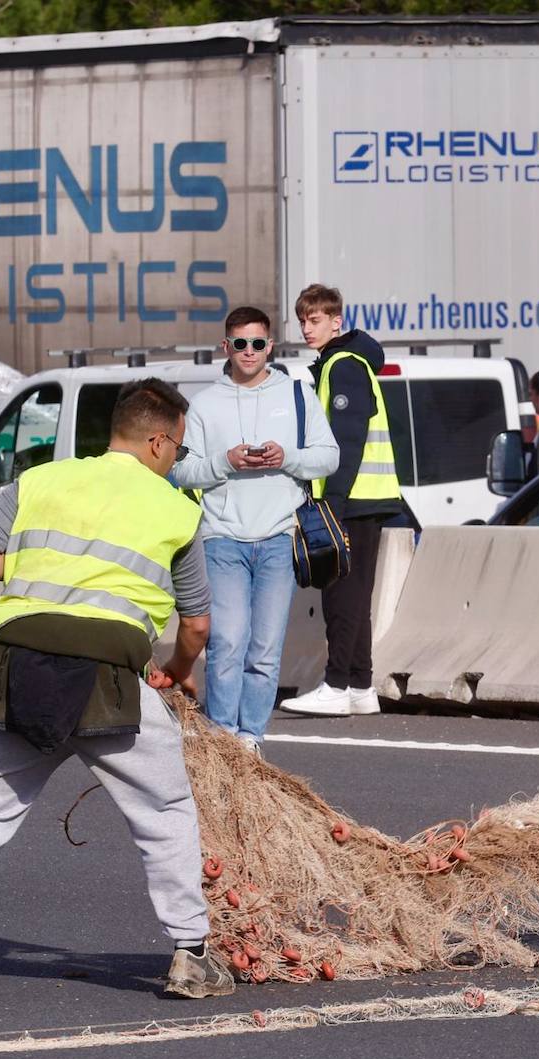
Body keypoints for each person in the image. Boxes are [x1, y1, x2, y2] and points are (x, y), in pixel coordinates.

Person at [0, 379, 234, 1005]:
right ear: (158, 442)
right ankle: (192, 955)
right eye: (179, 449)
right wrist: (176, 669)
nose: (177, 461)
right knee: (164, 813)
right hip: (109, 678)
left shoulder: (39, 481)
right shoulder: (177, 510)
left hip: (17, 667)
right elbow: (196, 623)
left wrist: (43, 573)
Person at [170, 306, 339, 753]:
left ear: (270, 346)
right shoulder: (204, 404)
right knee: (227, 642)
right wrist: (225, 461)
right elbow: (181, 470)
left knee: (264, 649)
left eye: (258, 343)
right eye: (241, 344)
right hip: (222, 538)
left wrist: (288, 457)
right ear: (225, 347)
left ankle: (251, 737)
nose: (250, 352)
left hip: (280, 538)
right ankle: (223, 735)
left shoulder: (297, 395)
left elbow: (329, 456)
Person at [279, 284, 402, 718]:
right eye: (303, 320)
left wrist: (331, 501)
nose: (306, 328)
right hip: (365, 498)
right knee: (355, 594)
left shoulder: (343, 365)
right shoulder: (344, 362)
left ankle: (336, 685)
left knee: (341, 595)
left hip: (352, 498)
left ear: (337, 322)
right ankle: (360, 685)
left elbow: (348, 440)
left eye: (315, 320)